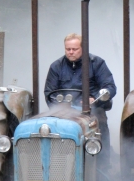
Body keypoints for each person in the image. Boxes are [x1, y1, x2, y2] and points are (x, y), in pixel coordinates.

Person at [44, 33, 117, 168]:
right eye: (68, 49)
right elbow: (49, 92)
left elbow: (110, 87)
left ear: (83, 48)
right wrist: (59, 107)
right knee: (48, 127)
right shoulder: (56, 66)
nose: (71, 52)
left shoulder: (97, 63)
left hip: (92, 110)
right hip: (64, 112)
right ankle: (57, 167)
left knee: (99, 124)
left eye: (75, 49)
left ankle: (103, 167)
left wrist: (95, 99)